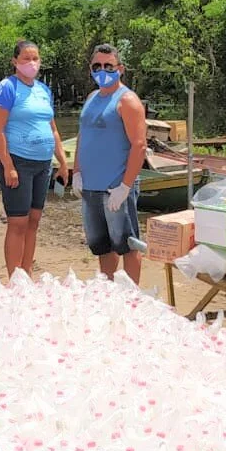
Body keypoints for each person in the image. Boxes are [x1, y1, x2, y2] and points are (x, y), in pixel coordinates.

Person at [0, 40, 69, 278]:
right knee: (18, 222)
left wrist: (63, 163)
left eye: (35, 59)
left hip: (43, 164)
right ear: (15, 61)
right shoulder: (6, 88)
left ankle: (27, 272)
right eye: (26, 59)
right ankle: (15, 278)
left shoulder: (43, 90)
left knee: (34, 220)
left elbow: (52, 129)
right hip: (18, 161)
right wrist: (8, 165)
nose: (31, 63)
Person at [73, 44, 147, 283]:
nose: (102, 70)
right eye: (97, 66)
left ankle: (130, 295)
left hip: (116, 187)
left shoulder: (127, 100)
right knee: (102, 245)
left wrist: (125, 187)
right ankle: (108, 291)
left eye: (108, 66)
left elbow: (139, 146)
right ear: (90, 69)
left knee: (127, 243)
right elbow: (83, 136)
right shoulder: (91, 98)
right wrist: (77, 172)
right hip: (90, 187)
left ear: (120, 69)